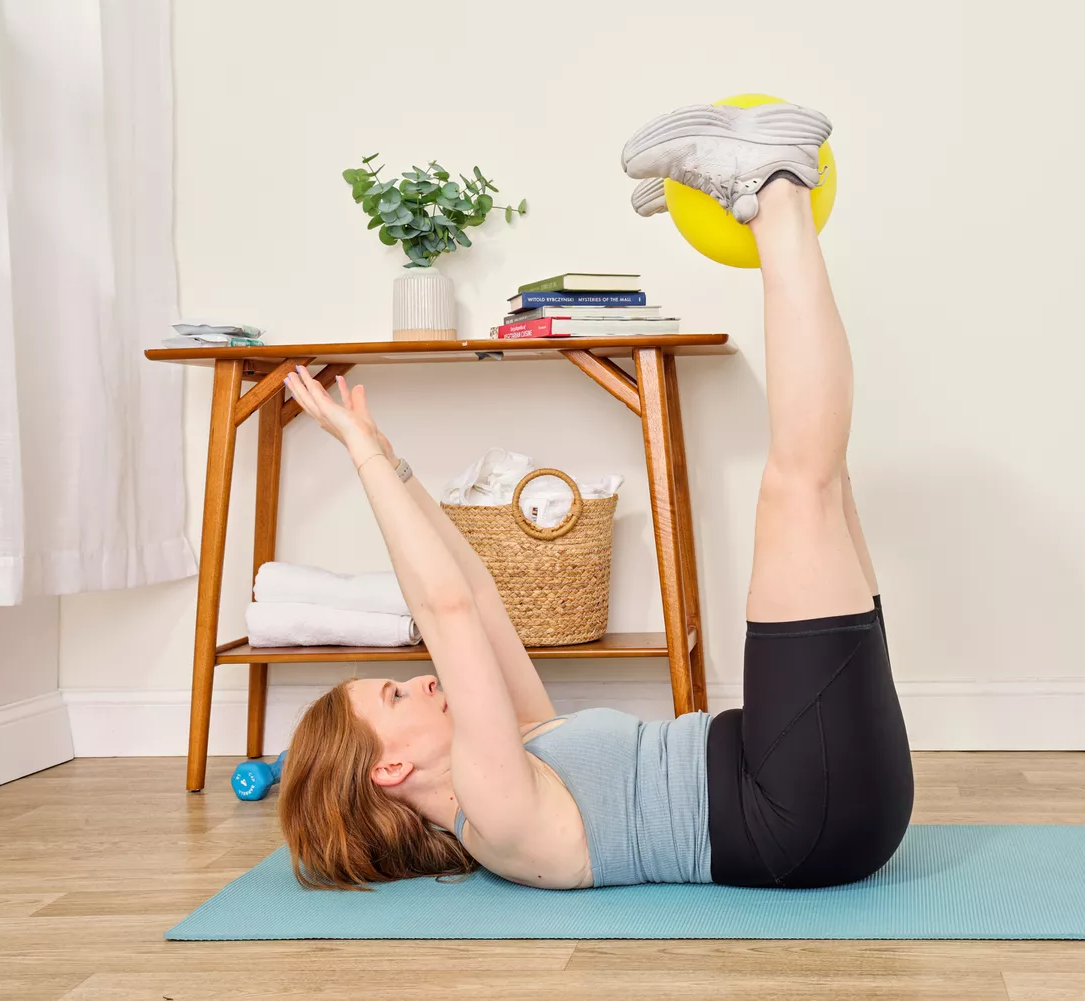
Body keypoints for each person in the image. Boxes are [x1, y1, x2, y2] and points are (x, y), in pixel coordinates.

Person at [277, 101, 914, 892]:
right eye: (395, 693)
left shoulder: (519, 752)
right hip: (802, 810)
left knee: (823, 480)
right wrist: (360, 455)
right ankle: (775, 186)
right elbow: (445, 612)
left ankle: (757, 197)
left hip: (811, 787)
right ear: (390, 768)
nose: (422, 679)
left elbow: (476, 593)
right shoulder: (496, 814)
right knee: (799, 488)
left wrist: (395, 465)